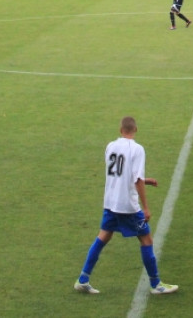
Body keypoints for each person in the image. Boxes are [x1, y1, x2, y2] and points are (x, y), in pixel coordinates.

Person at [73, 116, 178, 296]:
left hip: (110, 203)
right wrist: (145, 207)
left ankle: (83, 279)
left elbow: (121, 174)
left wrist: (146, 181)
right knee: (146, 240)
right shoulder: (137, 149)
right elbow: (135, 179)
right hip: (128, 207)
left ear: (120, 130)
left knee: (103, 237)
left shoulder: (110, 147)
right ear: (135, 130)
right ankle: (156, 284)